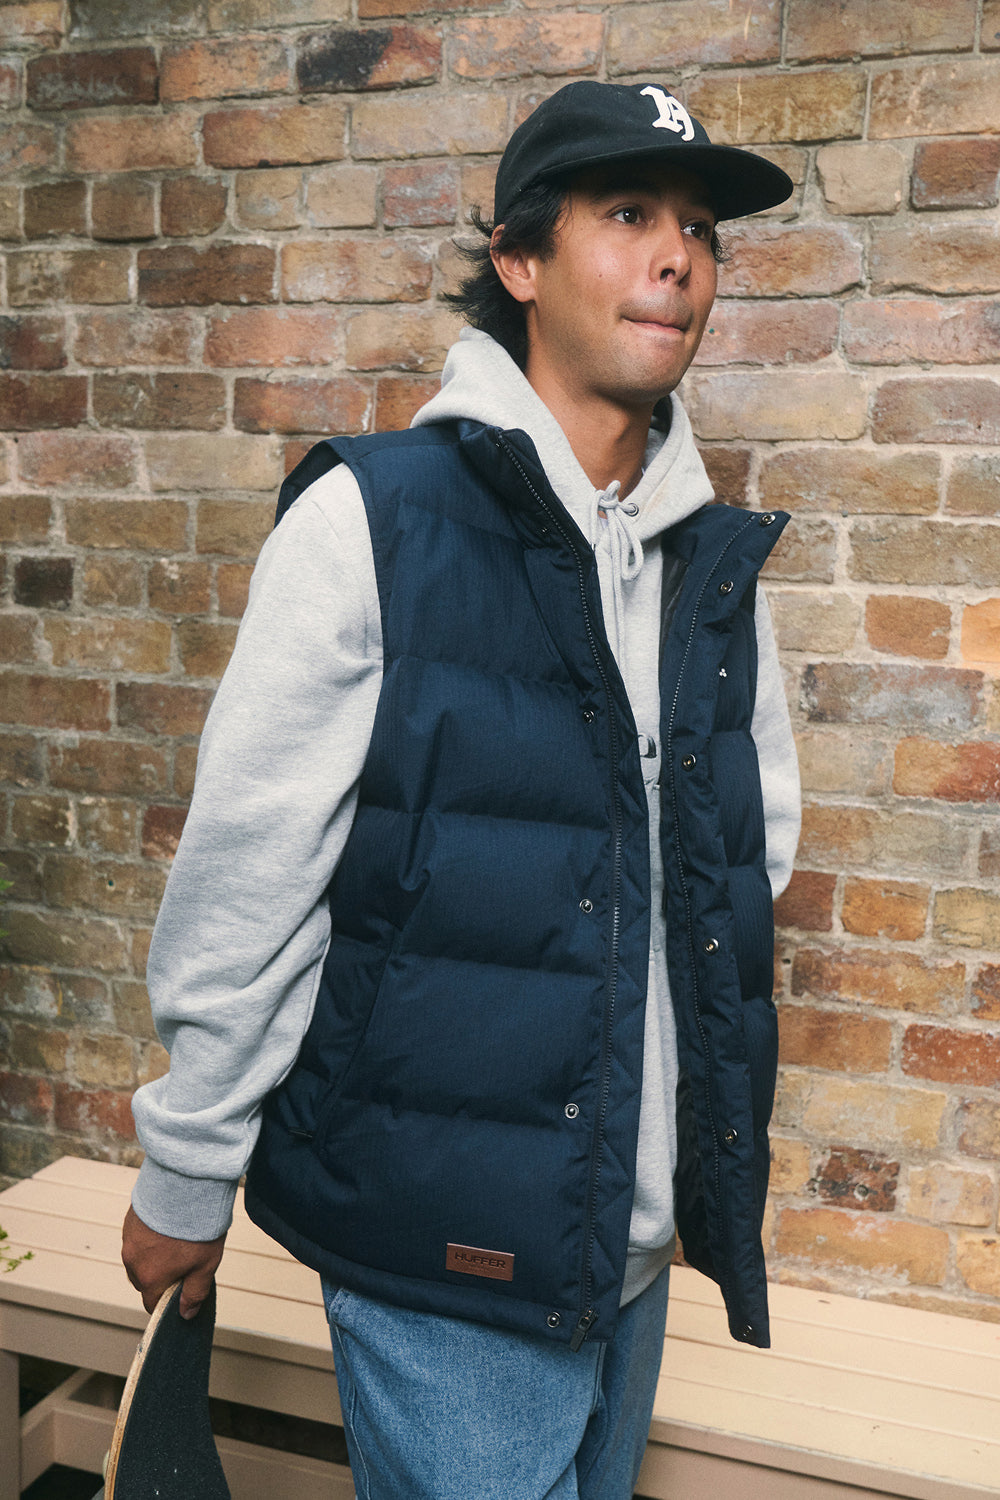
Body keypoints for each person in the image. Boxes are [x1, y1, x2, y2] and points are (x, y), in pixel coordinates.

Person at [122, 80, 801, 1499]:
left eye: (700, 230)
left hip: (631, 1248)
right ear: (519, 259)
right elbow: (252, 874)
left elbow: (748, 854)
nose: (678, 258)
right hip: (438, 1247)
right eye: (629, 215)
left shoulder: (710, 563)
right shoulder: (369, 521)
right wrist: (187, 1170)